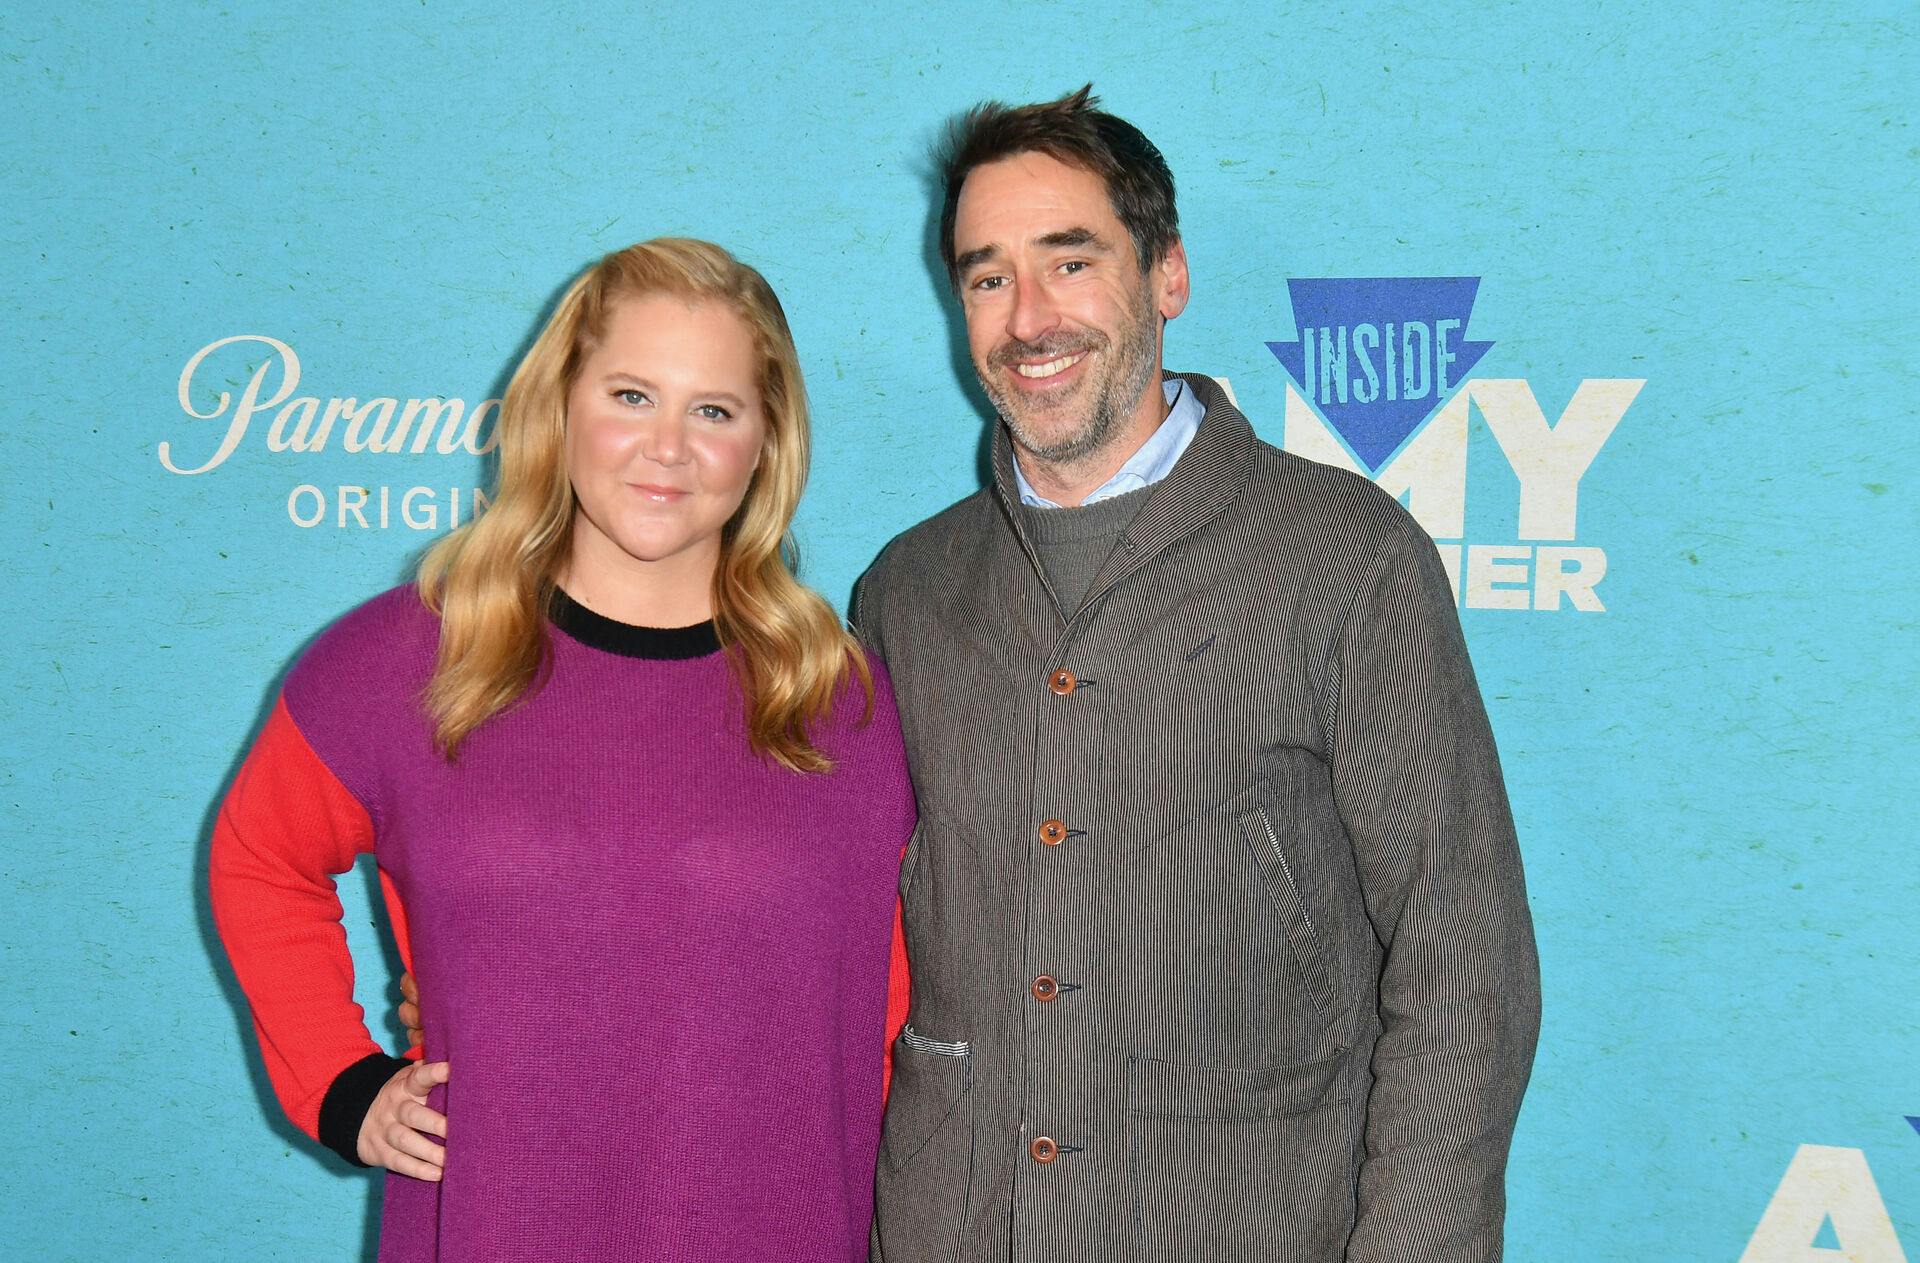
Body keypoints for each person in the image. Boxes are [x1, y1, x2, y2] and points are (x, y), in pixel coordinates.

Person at [854, 87, 1541, 1262]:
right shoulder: (904, 594)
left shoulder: (1347, 557)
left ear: (1167, 274)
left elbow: (1461, 957)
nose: (1028, 319)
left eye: (1071, 263)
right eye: (986, 276)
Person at [209, 238, 915, 1262]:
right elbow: (259, 860)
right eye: (631, 395)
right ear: (561, 407)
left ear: (766, 443)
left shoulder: (840, 700)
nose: (667, 446)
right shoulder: (404, 659)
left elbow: (886, 1007)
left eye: (713, 410)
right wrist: (339, 1080)